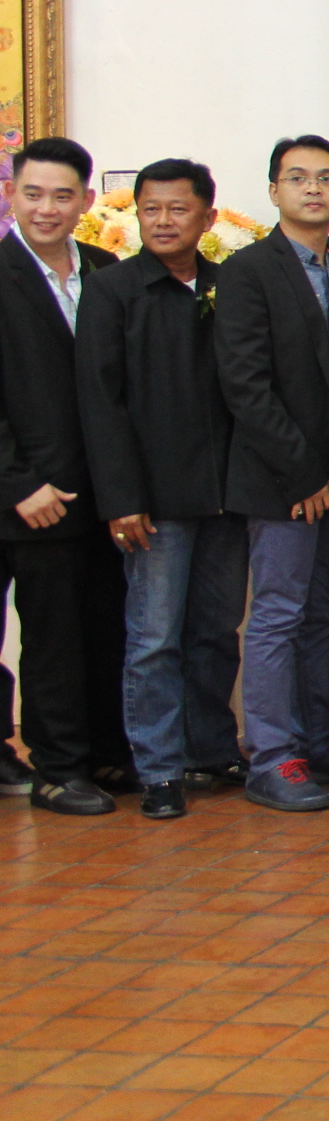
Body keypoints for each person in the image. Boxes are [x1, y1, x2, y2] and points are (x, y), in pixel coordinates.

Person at [78, 159, 248, 819]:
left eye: (179, 209)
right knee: (153, 639)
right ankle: (158, 768)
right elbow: (100, 402)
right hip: (153, 501)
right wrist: (121, 498)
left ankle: (211, 748)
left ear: (208, 217)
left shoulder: (230, 285)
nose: (163, 221)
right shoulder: (113, 290)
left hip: (227, 495)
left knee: (216, 632)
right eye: (151, 209)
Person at [218, 134, 329, 812]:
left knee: (325, 611)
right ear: (274, 191)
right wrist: (304, 473)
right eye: (298, 177)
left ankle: (316, 737)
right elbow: (245, 386)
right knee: (278, 615)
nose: (313, 189)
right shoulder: (248, 270)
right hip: (282, 481)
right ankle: (271, 755)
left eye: (326, 178)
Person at [0, 137, 131, 815]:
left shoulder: (106, 270)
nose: (46, 208)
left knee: (105, 625)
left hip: (102, 491)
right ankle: (56, 769)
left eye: (60, 195)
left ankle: (105, 753)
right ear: (11, 196)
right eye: (32, 194)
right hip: (30, 494)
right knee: (51, 638)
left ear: (85, 200)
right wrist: (18, 483)